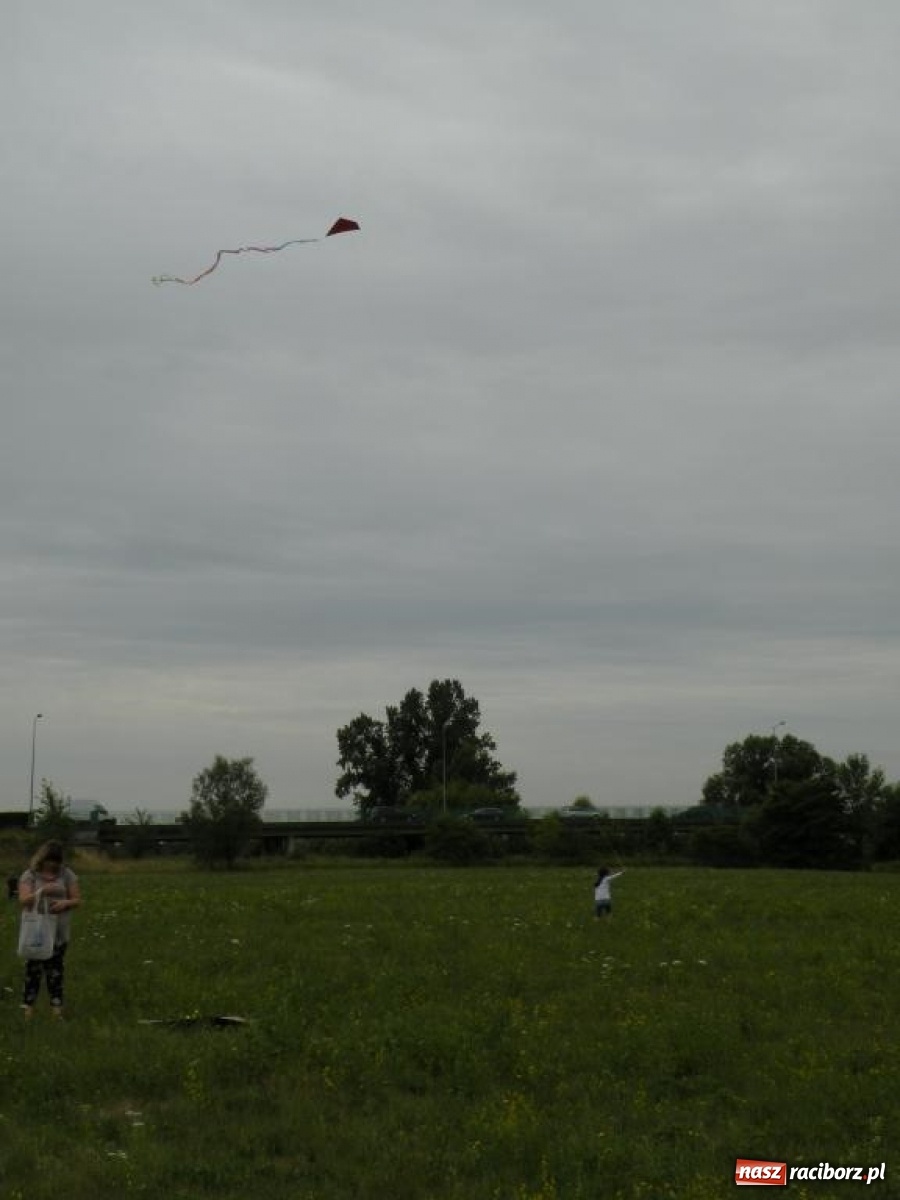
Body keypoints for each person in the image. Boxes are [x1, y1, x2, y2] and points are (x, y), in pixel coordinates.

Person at [18, 840, 81, 1019]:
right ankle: (28, 1009)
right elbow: (23, 901)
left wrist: (65, 903)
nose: (53, 864)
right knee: (33, 971)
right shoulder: (30, 875)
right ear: (42, 858)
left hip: (59, 933)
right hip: (36, 934)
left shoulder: (67, 874)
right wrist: (42, 892)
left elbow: (77, 899)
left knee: (56, 971)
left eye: (56, 861)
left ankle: (56, 1009)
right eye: (49, 860)